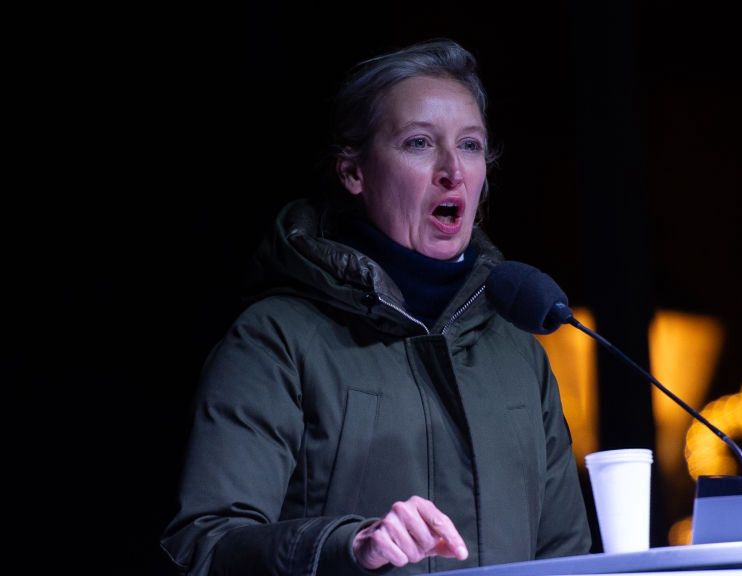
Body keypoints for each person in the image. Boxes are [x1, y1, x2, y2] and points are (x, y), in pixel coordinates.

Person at [160, 39, 591, 575]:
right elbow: (206, 547)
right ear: (353, 173)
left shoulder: (518, 355)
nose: (452, 171)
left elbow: (568, 560)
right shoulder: (275, 340)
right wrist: (349, 544)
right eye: (418, 143)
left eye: (471, 145)